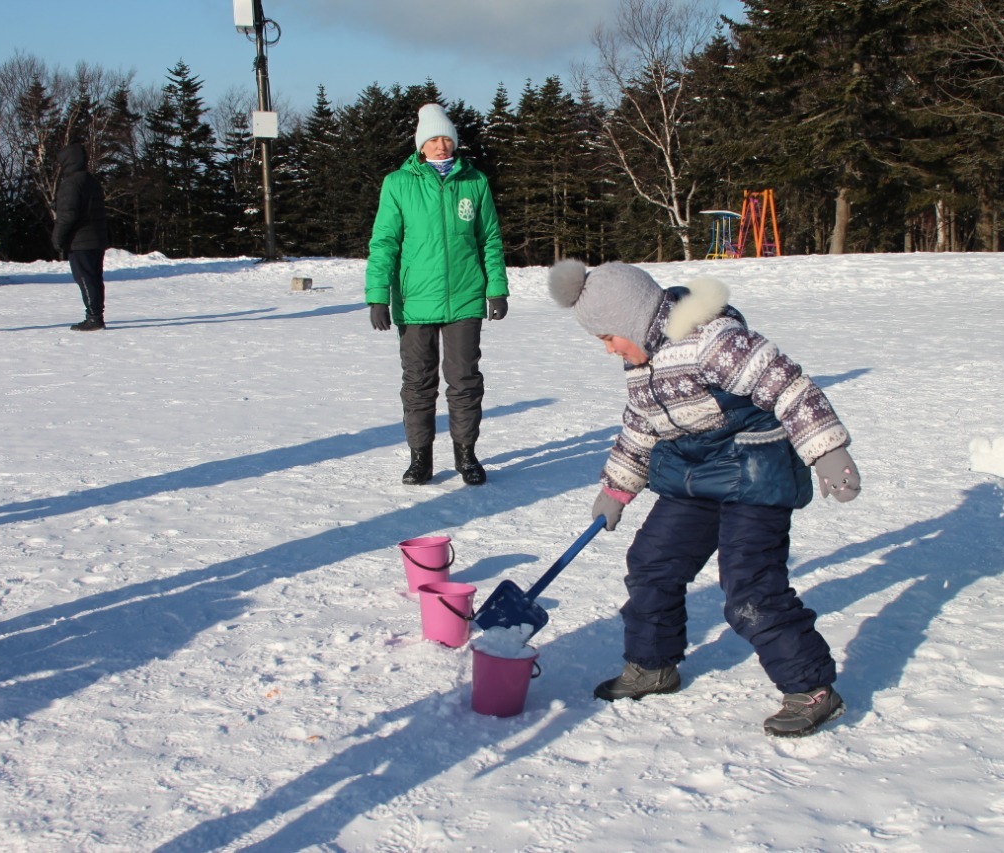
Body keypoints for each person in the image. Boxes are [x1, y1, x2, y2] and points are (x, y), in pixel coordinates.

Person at [548, 260, 861, 738]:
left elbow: (788, 385)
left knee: (749, 586)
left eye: (609, 337)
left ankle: (812, 689)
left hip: (755, 471)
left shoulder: (712, 340)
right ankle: (653, 666)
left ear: (632, 319)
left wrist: (827, 450)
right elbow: (639, 427)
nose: (609, 349)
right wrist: (616, 488)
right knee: (652, 563)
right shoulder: (641, 366)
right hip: (694, 476)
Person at [365, 103, 509, 486]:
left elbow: (490, 239)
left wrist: (496, 289)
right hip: (415, 302)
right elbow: (384, 243)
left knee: (464, 380)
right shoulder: (398, 183)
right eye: (433, 139)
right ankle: (420, 458)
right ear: (420, 145)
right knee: (418, 382)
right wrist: (378, 295)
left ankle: (467, 455)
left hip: (465, 297)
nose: (441, 146)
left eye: (446, 138)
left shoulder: (474, 181)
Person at [52, 142, 109, 331]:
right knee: (94, 277)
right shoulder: (91, 180)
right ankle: (96, 315)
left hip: (80, 240)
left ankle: (93, 318)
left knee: (84, 277)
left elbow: (68, 215)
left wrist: (58, 238)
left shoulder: (71, 183)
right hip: (96, 238)